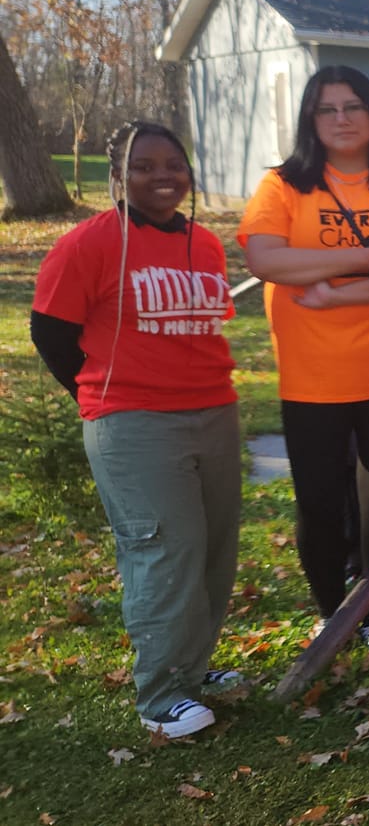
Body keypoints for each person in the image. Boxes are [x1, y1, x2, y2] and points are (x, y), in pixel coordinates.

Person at [31, 121, 241, 737]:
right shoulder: (89, 245)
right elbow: (50, 333)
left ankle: (193, 671)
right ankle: (161, 694)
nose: (162, 177)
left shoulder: (204, 243)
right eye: (143, 166)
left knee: (214, 549)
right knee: (164, 550)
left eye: (173, 164)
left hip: (214, 410)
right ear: (118, 175)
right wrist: (103, 395)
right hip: (135, 422)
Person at [238, 66, 369, 654]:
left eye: (352, 106)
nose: (341, 119)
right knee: (317, 502)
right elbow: (266, 260)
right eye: (326, 109)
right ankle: (327, 611)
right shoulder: (284, 186)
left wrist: (333, 287)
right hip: (310, 377)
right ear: (309, 120)